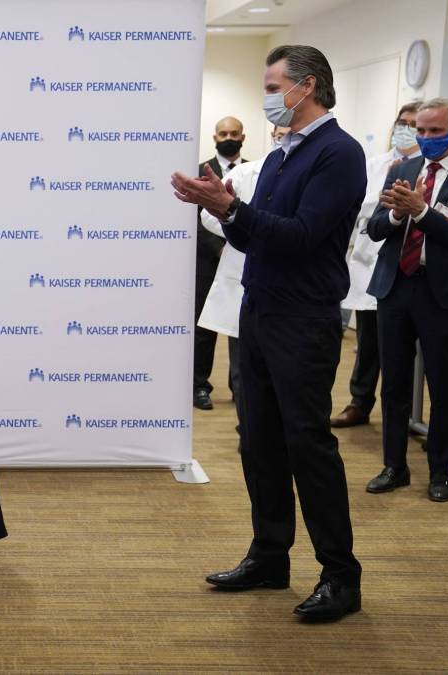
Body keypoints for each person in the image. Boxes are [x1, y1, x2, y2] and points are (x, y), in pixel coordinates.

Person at [171, 45, 365, 622]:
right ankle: (270, 554)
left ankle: (340, 574)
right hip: (256, 313)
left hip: (303, 319)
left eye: (273, 85)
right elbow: (257, 239)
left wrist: (232, 209)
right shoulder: (282, 156)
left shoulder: (338, 153)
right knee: (257, 440)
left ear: (306, 87)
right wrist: (224, 210)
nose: (268, 97)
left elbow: (302, 235)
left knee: (308, 445)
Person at [364, 97, 448, 502]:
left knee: (441, 384)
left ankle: (439, 472)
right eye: (421, 131)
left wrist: (423, 211)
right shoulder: (404, 169)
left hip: (440, 292)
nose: (426, 138)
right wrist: (397, 215)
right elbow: (376, 228)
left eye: (435, 131)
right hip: (396, 286)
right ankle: (394, 466)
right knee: (393, 382)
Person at [333, 102, 422, 428]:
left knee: (403, 347)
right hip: (370, 261)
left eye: (414, 124)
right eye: (402, 122)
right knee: (368, 340)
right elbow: (359, 205)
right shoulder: (375, 164)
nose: (406, 128)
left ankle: (405, 413)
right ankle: (360, 402)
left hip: (409, 264)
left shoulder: (428, 167)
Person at [198, 125, 288, 446]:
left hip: (291, 292)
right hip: (244, 279)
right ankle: (248, 430)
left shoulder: (315, 173)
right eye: (281, 129)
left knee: (280, 370)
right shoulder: (249, 173)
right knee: (243, 366)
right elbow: (211, 216)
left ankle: (269, 430)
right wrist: (239, 230)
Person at [194, 116, 248, 411]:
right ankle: (200, 385)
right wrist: (219, 247)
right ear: (215, 137)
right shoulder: (202, 171)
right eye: (223, 133)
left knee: (241, 328)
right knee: (204, 328)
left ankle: (239, 388)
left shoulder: (257, 170)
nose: (229, 137)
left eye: (234, 133)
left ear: (243, 137)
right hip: (208, 261)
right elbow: (195, 218)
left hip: (243, 263)